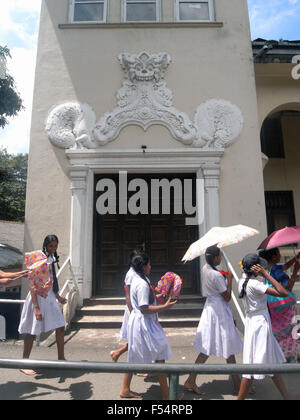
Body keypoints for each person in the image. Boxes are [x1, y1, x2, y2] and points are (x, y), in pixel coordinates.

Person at [184, 246, 243, 395]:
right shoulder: (216, 276)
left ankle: (192, 379)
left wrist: (222, 275)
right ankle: (237, 384)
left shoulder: (205, 268)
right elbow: (227, 297)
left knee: (208, 346)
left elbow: (215, 279)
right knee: (224, 344)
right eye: (220, 256)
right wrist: (229, 280)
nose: (221, 258)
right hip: (219, 311)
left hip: (211, 308)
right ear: (215, 258)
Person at [120, 252, 176, 400]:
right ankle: (167, 396)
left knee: (148, 356)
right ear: (143, 267)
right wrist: (165, 307)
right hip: (145, 323)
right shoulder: (142, 283)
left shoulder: (141, 279)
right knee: (159, 356)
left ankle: (165, 394)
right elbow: (144, 308)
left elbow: (145, 300)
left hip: (142, 322)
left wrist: (158, 298)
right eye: (149, 264)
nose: (151, 267)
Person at [237, 253, 291, 400]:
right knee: (253, 366)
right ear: (256, 269)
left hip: (253, 322)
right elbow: (283, 292)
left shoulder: (242, 282)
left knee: (268, 363)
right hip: (260, 325)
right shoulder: (256, 284)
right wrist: (266, 275)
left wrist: (260, 275)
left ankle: (287, 396)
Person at [18, 235, 67, 376]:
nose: (53, 249)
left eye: (55, 246)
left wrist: (58, 296)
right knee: (32, 331)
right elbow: (32, 284)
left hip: (49, 297)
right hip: (37, 298)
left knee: (60, 325)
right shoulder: (39, 260)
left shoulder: (51, 260)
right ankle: (23, 363)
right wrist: (36, 307)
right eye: (51, 246)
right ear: (45, 245)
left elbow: (51, 281)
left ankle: (61, 359)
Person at [259, 248, 300, 363]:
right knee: (289, 333)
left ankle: (276, 357)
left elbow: (285, 266)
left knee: (276, 333)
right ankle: (290, 358)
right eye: (278, 253)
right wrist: (295, 271)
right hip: (284, 307)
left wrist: (295, 258)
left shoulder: (266, 269)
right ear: (273, 257)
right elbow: (288, 288)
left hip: (271, 306)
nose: (281, 255)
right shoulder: (278, 273)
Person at [110, 250, 140, 363]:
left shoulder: (137, 273)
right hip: (134, 309)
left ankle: (118, 353)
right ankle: (135, 365)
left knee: (137, 338)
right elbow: (128, 295)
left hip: (137, 309)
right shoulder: (131, 274)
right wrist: (132, 311)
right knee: (137, 338)